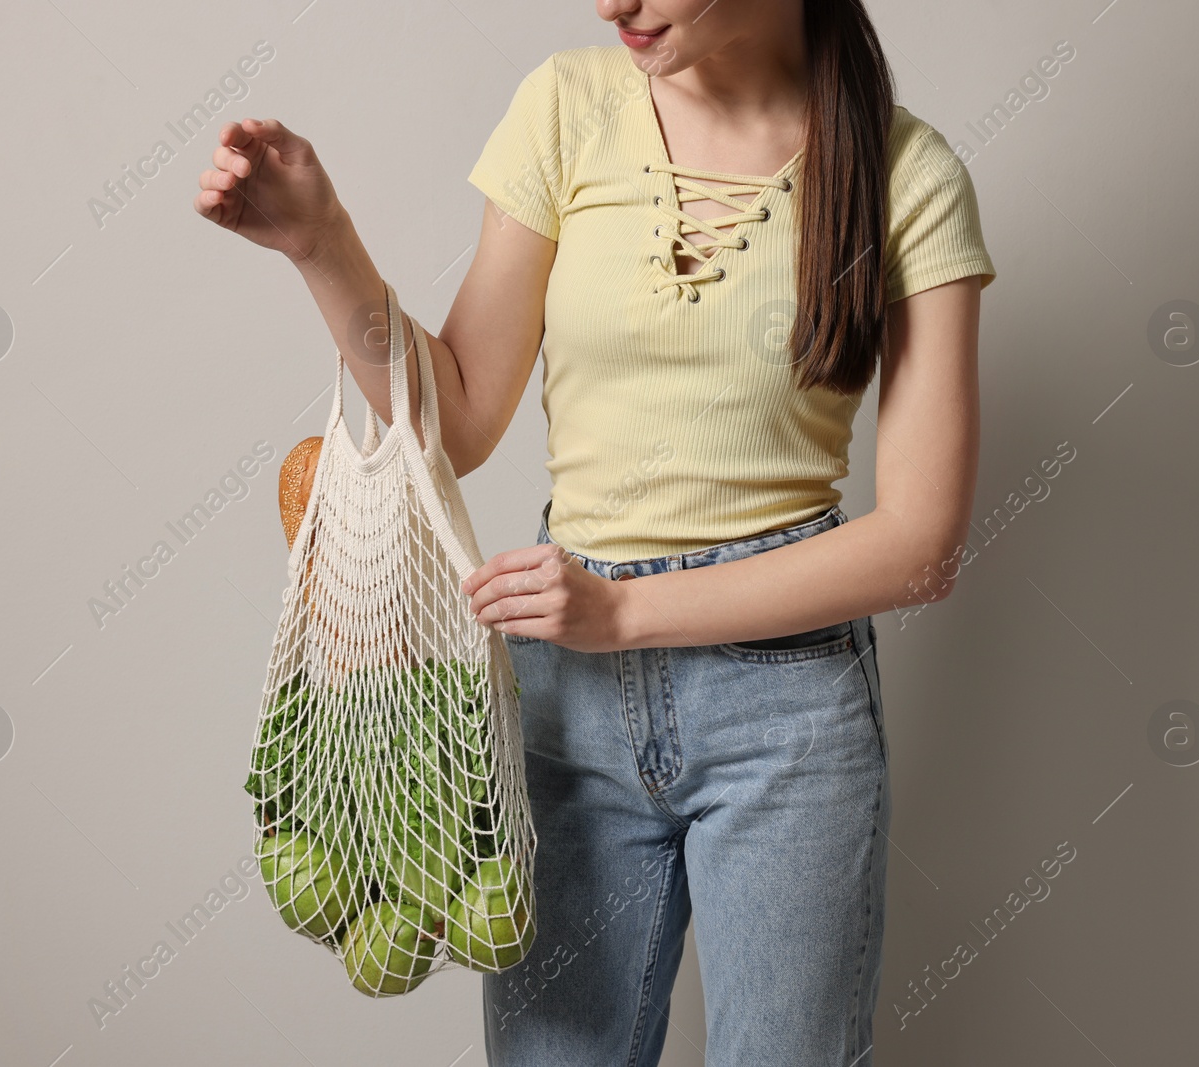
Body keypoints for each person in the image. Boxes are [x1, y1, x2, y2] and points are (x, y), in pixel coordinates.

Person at [195, 0, 995, 1062]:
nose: (613, 2)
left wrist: (627, 608)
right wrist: (320, 242)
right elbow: (465, 411)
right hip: (564, 698)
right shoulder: (566, 107)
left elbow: (920, 544)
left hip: (784, 710)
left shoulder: (907, 174)